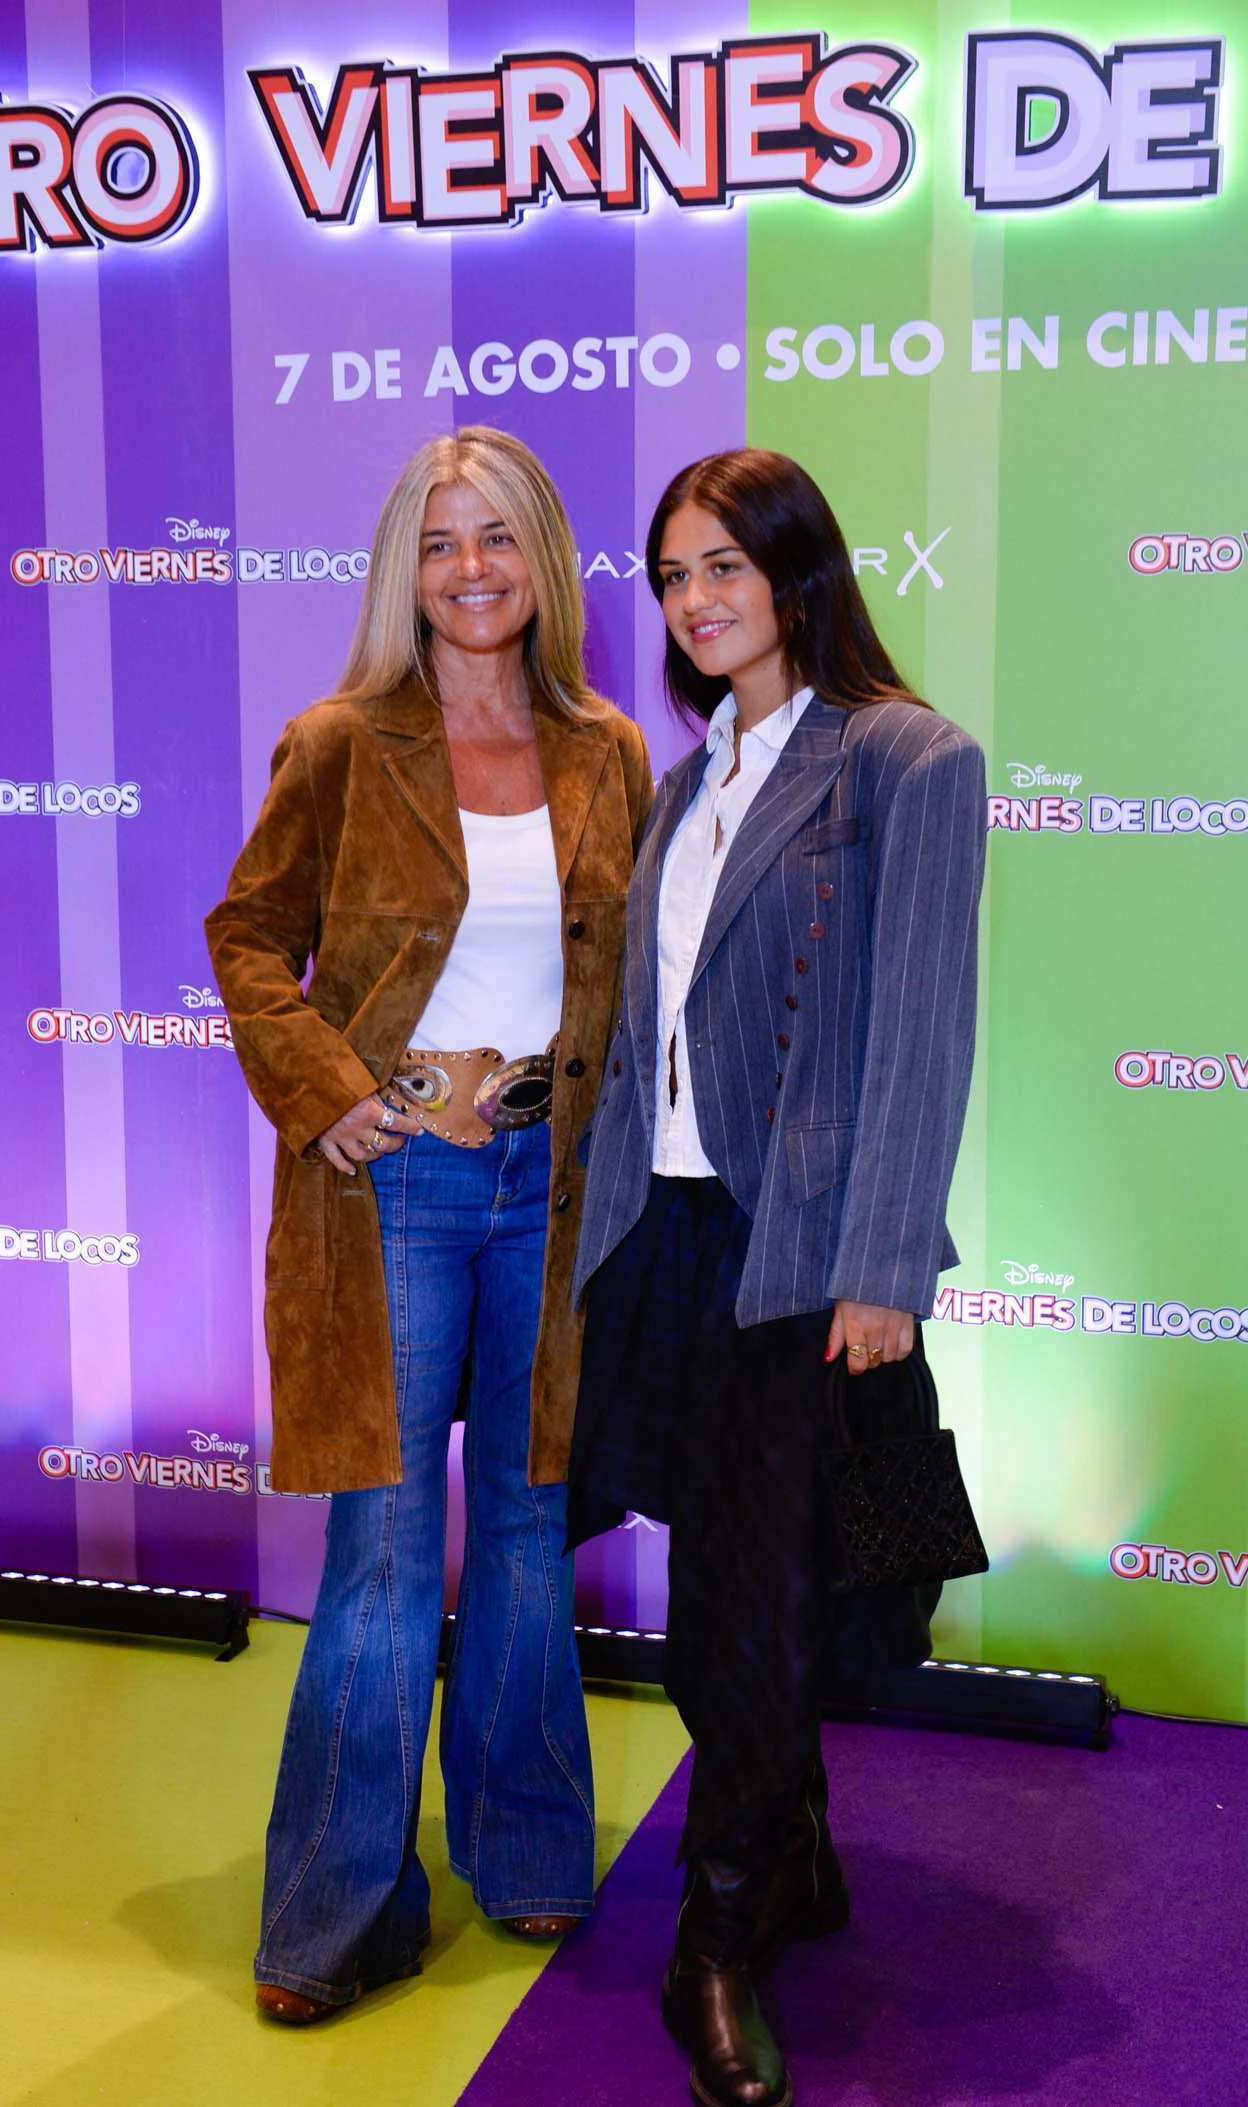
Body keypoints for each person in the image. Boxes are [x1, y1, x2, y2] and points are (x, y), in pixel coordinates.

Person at [207, 426, 653, 2024]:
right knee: (387, 1554)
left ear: (544, 563)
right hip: (390, 1184)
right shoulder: (336, 740)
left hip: (556, 1188)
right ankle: (330, 1915)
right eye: (443, 541)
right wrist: (327, 1088)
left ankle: (530, 1849)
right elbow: (250, 938)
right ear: (408, 566)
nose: (473, 571)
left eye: (502, 540)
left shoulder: (607, 748)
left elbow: (629, 981)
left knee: (531, 1537)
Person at [569, 449, 986, 2107]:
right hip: (664, 1233)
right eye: (674, 575)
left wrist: (883, 1264)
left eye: (727, 566)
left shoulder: (905, 758)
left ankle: (719, 1938)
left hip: (803, 1250)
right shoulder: (692, 777)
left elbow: (925, 1034)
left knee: (748, 1611)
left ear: (801, 572)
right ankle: (795, 1846)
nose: (696, 600)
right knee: (715, 1601)